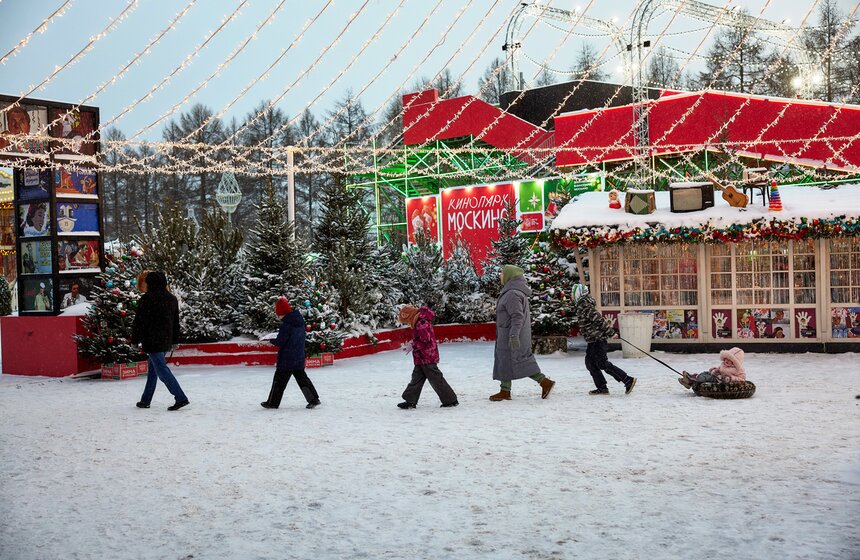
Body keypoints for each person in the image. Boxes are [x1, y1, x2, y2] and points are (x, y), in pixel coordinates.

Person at [489, 265, 555, 401]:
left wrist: (513, 335)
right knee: (506, 361)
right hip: (507, 333)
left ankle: (544, 382)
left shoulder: (512, 294)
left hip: (511, 334)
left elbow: (517, 316)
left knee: (520, 361)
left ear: (509, 275)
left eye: (502, 273)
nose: (500, 275)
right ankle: (505, 391)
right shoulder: (512, 292)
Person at [131, 271, 189, 411]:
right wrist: (175, 340)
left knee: (161, 370)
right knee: (153, 370)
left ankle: (180, 397)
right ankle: (146, 400)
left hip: (151, 339)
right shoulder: (172, 299)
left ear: (150, 283)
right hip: (165, 339)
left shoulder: (146, 299)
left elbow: (139, 322)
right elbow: (175, 322)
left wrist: (135, 339)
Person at [571, 284, 637, 395]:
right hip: (592, 340)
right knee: (590, 363)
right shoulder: (582, 305)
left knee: (602, 363)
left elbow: (599, 320)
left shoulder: (585, 305)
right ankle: (602, 388)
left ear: (578, 293)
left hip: (598, 339)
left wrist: (611, 333)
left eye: (572, 293)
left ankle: (627, 380)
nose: (571, 296)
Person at [261, 296, 321, 410]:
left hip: (287, 358)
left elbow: (281, 341)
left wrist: (270, 341)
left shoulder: (286, 324)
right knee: (302, 379)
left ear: (282, 313)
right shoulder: (299, 321)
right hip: (298, 356)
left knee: (279, 381)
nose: (277, 316)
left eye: (278, 313)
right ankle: (314, 399)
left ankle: (272, 403)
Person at [396, 305, 458, 409]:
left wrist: (413, 345)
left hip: (427, 357)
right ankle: (410, 400)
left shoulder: (421, 323)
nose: (407, 324)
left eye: (406, 321)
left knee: (435, 378)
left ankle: (450, 400)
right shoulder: (419, 322)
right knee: (416, 378)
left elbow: (425, 340)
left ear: (410, 316)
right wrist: (413, 345)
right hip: (421, 357)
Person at [679, 347, 746, 389]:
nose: (727, 361)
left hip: (720, 380)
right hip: (717, 376)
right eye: (726, 359)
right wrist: (716, 370)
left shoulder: (738, 370)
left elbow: (742, 379)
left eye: (730, 361)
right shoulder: (723, 365)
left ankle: (691, 381)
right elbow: (720, 369)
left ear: (735, 362)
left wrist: (731, 378)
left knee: (707, 378)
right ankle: (692, 377)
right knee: (705, 373)